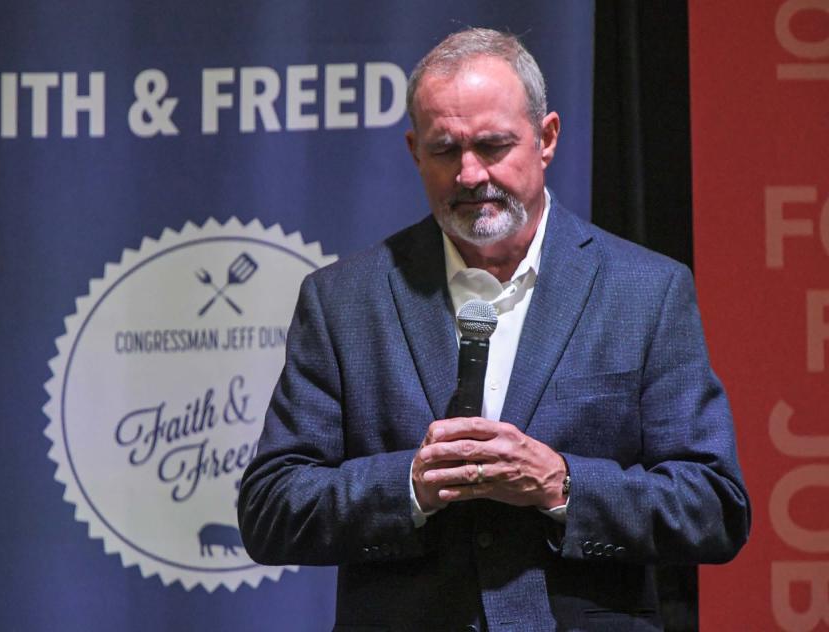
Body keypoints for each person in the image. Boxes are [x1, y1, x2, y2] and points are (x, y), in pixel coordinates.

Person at [238, 28, 750, 631]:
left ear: (547, 138)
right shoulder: (344, 300)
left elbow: (713, 506)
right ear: (413, 152)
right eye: (445, 149)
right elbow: (270, 509)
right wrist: (409, 485)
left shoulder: (645, 290)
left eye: (492, 144)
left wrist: (559, 482)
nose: (470, 173)